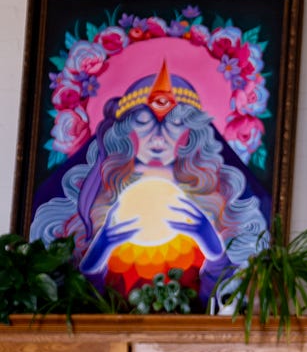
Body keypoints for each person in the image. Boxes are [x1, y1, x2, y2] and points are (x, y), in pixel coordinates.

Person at [30, 60, 268, 303]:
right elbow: (76, 308)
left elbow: (224, 307)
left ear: (192, 132)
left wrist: (214, 250)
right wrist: (99, 251)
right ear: (124, 128)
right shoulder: (97, 197)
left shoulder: (213, 200)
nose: (158, 140)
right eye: (143, 123)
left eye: (175, 125)